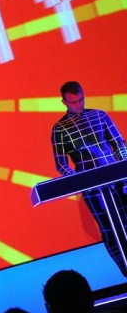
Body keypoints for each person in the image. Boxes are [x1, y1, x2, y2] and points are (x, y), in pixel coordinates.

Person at [51, 81, 127, 276]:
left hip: (118, 179)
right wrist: (79, 180)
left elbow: (118, 142)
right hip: (92, 189)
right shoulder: (60, 128)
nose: (78, 104)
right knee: (109, 231)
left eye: (81, 99)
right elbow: (61, 164)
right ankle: (125, 270)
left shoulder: (100, 115)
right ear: (64, 102)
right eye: (73, 102)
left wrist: (123, 165)